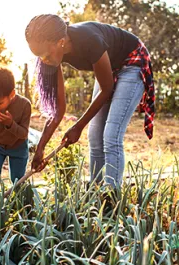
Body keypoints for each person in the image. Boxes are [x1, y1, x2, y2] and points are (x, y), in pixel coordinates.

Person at [25, 14, 155, 188]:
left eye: (46, 55)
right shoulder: (50, 58)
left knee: (111, 135)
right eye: (39, 56)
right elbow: (58, 111)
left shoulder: (89, 39)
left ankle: (111, 198)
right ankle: (96, 194)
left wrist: (77, 126)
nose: (44, 60)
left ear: (60, 42)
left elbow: (106, 88)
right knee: (94, 136)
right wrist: (40, 149)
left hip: (132, 62)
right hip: (109, 67)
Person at [0, 64, 32, 194]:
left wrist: (9, 123)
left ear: (12, 94)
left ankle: (19, 206)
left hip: (18, 145)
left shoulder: (25, 105)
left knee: (17, 181)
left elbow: (24, 134)